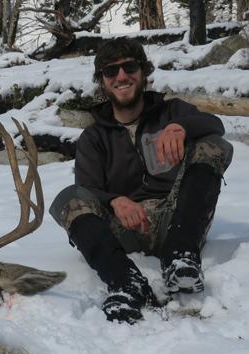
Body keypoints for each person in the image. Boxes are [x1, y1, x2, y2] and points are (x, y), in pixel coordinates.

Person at [49, 37, 233, 324]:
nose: (121, 76)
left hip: (180, 218)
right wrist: (114, 200)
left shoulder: (172, 111)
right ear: (103, 82)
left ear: (143, 72)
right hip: (126, 228)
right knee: (67, 198)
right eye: (111, 71)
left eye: (129, 67)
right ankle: (126, 283)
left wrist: (180, 126)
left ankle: (181, 256)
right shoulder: (94, 137)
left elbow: (216, 126)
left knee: (213, 145)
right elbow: (85, 190)